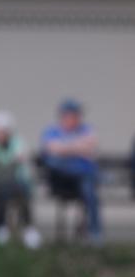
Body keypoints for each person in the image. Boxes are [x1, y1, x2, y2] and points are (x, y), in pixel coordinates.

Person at [40, 99, 101, 243]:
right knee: (56, 163)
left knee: (90, 192)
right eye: (71, 115)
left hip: (83, 180)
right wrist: (78, 148)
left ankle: (95, 234)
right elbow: (51, 149)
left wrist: (65, 148)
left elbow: (91, 146)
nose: (74, 118)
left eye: (77, 115)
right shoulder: (51, 131)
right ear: (63, 116)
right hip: (61, 181)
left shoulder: (86, 129)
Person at [0, 110, 40, 249]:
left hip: (17, 183)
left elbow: (22, 165)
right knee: (2, 190)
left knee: (22, 190)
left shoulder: (18, 142)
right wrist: (12, 161)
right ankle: (0, 227)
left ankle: (28, 228)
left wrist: (14, 162)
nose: (0, 134)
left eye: (4, 131)